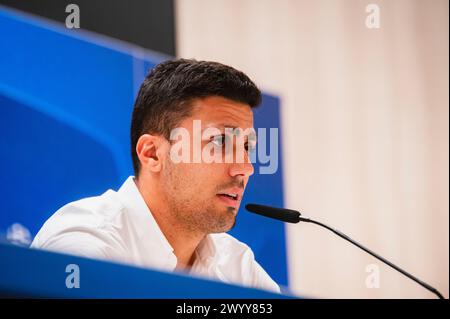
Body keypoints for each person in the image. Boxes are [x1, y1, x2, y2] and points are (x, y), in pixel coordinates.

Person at [31, 59, 280, 293]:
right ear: (152, 154)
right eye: (220, 141)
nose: (245, 168)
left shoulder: (239, 268)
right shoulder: (83, 240)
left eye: (247, 147)